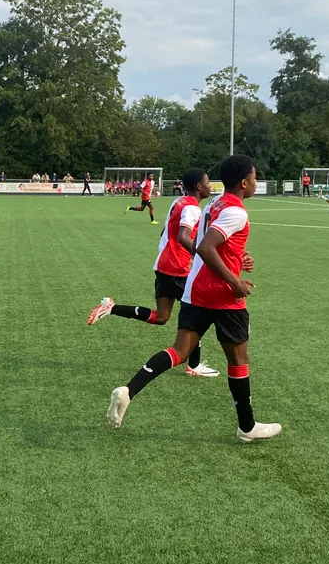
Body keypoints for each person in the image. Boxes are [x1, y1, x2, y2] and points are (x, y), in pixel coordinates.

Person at [106, 155, 281, 443]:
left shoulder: (214, 204)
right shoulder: (236, 211)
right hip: (222, 297)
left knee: (179, 352)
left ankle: (128, 390)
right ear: (243, 182)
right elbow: (206, 246)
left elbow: (215, 246)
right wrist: (234, 280)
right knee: (238, 359)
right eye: (254, 177)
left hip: (195, 292)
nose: (255, 182)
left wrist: (238, 260)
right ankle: (247, 427)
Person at [88, 167, 219, 377]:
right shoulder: (193, 208)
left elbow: (165, 231)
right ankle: (193, 366)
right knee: (195, 316)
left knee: (161, 317)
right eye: (207, 182)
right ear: (198, 186)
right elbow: (184, 236)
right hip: (179, 268)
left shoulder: (178, 202)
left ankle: (111, 308)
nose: (210, 186)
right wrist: (201, 255)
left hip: (164, 265)